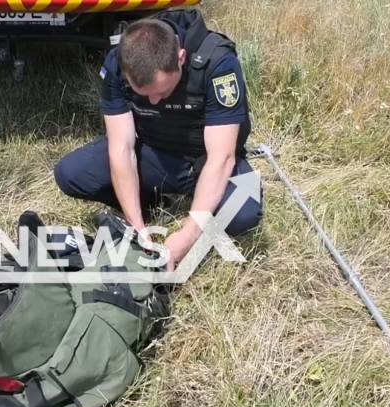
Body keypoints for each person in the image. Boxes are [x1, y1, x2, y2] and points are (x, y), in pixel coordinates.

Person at [53, 8, 263, 272]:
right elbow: (121, 148)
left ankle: (200, 202)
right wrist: (137, 228)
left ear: (181, 58)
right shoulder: (117, 64)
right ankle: (151, 203)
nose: (154, 101)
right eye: (145, 94)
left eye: (162, 91)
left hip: (206, 160)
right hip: (155, 153)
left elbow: (222, 158)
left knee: (244, 213)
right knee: (70, 173)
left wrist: (186, 237)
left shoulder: (217, 63)